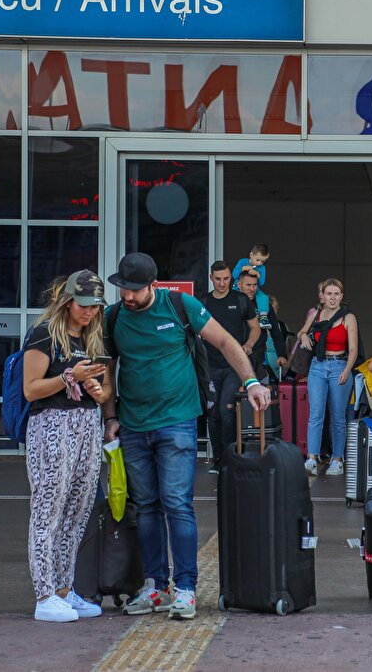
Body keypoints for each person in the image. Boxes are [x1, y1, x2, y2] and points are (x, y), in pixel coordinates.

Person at [101, 252, 270, 619]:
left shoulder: (179, 306)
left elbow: (226, 342)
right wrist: (111, 415)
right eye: (122, 289)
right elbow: (109, 367)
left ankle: (186, 589)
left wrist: (252, 381)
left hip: (176, 421)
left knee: (176, 503)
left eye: (134, 290)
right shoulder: (114, 318)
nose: (127, 297)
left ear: (153, 285)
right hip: (132, 425)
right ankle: (155, 586)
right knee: (146, 507)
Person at [22, 270, 113, 623]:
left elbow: (104, 393)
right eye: (84, 304)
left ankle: (64, 589)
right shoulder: (44, 334)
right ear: (68, 300)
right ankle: (44, 594)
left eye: (95, 306)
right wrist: (67, 378)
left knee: (77, 511)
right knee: (48, 508)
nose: (89, 312)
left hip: (86, 424)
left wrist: (95, 390)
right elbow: (30, 389)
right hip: (51, 426)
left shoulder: (93, 338)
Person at [295, 278, 359, 476]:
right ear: (322, 296)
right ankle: (312, 458)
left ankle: (337, 459)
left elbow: (354, 348)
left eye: (336, 294)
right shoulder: (316, 314)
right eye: (329, 293)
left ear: (341, 296)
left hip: (340, 365)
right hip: (318, 366)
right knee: (316, 415)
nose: (332, 297)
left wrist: (347, 370)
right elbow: (302, 332)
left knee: (338, 417)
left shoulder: (348, 317)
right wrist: (303, 336)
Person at [201, 260, 260, 473]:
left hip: (233, 366)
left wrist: (249, 344)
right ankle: (218, 459)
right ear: (211, 278)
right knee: (213, 413)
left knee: (227, 410)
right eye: (218, 279)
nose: (222, 283)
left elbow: (255, 328)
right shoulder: (204, 301)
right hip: (210, 365)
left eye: (226, 279)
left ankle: (230, 457)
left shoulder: (241, 300)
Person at [237, 268, 287, 379]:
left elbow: (276, 332)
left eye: (254, 285)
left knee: (259, 392)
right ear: (239, 285)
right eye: (248, 285)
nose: (252, 289)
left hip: (258, 356)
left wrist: (281, 354)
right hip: (235, 355)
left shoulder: (264, 305)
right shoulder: (232, 303)